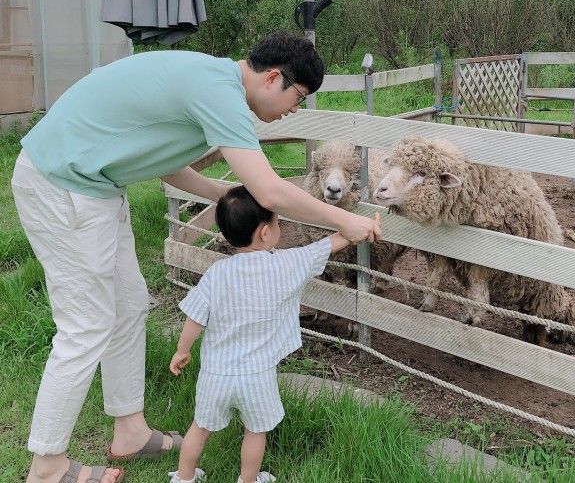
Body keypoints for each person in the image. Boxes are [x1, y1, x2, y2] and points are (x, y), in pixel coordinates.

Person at [11, 31, 381, 483]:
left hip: (97, 186)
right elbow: (269, 190)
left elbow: (158, 155)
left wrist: (219, 192)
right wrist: (343, 222)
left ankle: (129, 429)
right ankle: (46, 465)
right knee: (85, 324)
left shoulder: (213, 82)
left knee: (128, 307)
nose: (294, 110)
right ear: (273, 78)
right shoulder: (220, 93)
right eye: (298, 97)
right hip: (62, 182)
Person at [168, 186, 365, 483]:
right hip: (258, 375)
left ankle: (183, 478)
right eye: (276, 222)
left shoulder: (218, 273)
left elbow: (194, 318)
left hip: (216, 374)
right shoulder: (286, 264)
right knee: (255, 431)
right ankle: (247, 480)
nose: (278, 228)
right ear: (264, 233)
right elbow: (327, 245)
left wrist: (182, 350)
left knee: (200, 426)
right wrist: (359, 228)